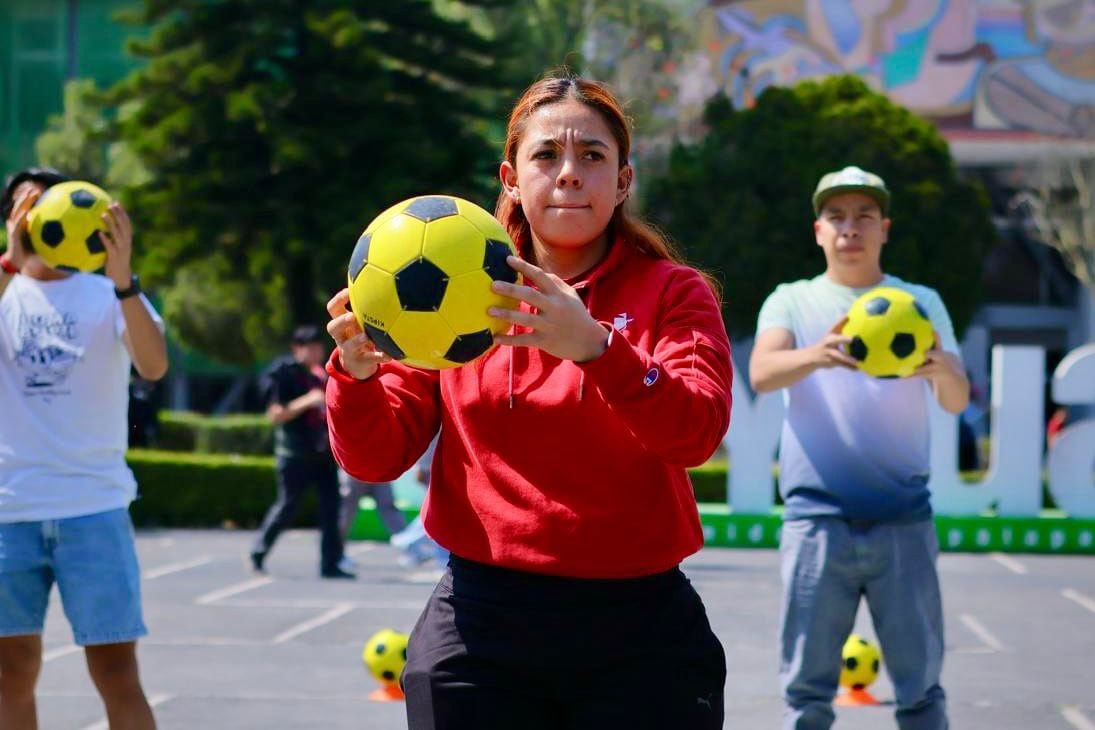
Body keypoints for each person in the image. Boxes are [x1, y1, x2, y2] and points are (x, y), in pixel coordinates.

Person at [324, 74, 732, 729]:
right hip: (483, 621)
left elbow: (696, 433)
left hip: (639, 628)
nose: (568, 173)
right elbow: (375, 459)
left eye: (591, 156)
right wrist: (356, 378)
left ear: (623, 182)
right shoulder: (451, 293)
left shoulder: (673, 293)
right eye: (546, 155)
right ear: (510, 177)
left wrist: (599, 349)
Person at [749, 165, 969, 730]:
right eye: (837, 216)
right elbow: (762, 372)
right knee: (807, 696)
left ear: (884, 228)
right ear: (818, 230)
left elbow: (955, 398)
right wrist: (818, 354)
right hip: (815, 521)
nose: (851, 228)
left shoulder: (918, 303)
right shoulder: (791, 301)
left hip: (904, 521)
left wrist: (942, 368)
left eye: (864, 216)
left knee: (920, 692)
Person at [0, 167, 168, 729]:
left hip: (93, 509)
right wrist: (10, 259)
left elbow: (153, 364)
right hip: (9, 511)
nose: (35, 217)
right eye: (23, 207)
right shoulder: (5, 290)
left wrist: (123, 278)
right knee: (9, 671)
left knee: (116, 671)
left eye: (44, 205)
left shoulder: (106, 294)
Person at [249, 324, 354, 579]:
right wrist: (308, 400)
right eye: (310, 347)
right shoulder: (284, 373)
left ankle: (331, 564)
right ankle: (259, 551)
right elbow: (275, 414)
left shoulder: (323, 374)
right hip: (294, 454)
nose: (317, 352)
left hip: (323, 454)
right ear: (297, 349)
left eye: (319, 347)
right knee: (287, 505)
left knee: (331, 509)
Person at [337, 470, 408, 571]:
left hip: (379, 469)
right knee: (346, 512)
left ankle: (410, 547)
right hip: (354, 468)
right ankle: (336, 554)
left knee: (388, 506)